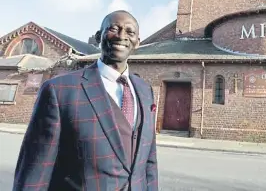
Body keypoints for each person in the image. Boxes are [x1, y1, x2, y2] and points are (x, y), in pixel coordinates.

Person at [13, 10, 158, 191]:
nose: (121, 36)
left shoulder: (145, 91)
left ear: (138, 42)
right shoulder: (59, 90)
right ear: (99, 36)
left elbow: (149, 159)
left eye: (130, 32)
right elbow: (35, 168)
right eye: (114, 28)